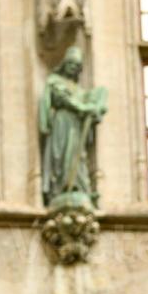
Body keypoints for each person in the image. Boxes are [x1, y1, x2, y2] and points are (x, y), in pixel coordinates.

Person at [39, 45, 108, 208]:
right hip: (61, 123)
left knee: (78, 156)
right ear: (64, 64)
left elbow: (91, 104)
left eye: (76, 66)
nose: (73, 68)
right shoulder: (54, 81)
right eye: (70, 64)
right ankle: (60, 188)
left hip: (76, 127)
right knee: (62, 155)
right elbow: (61, 98)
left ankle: (79, 187)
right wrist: (83, 108)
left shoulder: (79, 89)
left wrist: (94, 109)